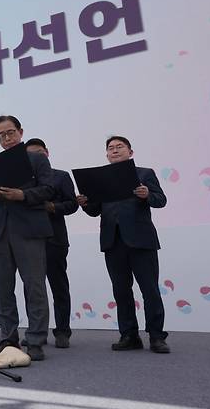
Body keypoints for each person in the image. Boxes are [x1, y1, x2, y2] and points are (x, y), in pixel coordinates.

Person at [77, 136, 170, 353]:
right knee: (121, 291)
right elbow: (95, 210)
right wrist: (84, 204)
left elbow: (161, 200)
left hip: (141, 240)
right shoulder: (101, 179)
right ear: (107, 155)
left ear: (131, 152)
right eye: (111, 148)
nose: (115, 150)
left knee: (150, 290)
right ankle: (129, 335)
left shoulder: (144, 173)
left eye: (120, 147)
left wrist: (147, 194)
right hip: (113, 241)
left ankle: (157, 336)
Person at [0, 115, 54, 361]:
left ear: (20, 132)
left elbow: (49, 189)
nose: (7, 138)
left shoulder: (36, 159)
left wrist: (22, 194)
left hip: (29, 229)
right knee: (2, 290)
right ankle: (7, 339)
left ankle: (35, 340)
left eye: (10, 132)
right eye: (1, 135)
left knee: (34, 286)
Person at [25, 139, 78, 348]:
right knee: (32, 288)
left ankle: (62, 331)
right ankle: (35, 331)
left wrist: (53, 207)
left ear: (47, 152)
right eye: (31, 155)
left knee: (58, 286)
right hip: (29, 239)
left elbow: (73, 204)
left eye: (39, 153)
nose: (36, 158)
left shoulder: (61, 176)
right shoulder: (24, 181)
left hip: (55, 239)